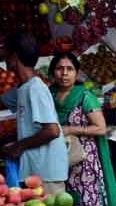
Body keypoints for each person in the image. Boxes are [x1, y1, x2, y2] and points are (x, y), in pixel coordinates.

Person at [49, 53, 116, 206]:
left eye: (70, 69)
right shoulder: (48, 95)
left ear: (77, 73)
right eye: (60, 69)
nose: (64, 73)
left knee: (87, 204)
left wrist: (70, 129)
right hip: (58, 159)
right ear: (53, 72)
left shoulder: (84, 96)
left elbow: (101, 128)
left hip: (83, 161)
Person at [1, 33, 67, 193]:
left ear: (14, 57)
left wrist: (19, 146)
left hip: (47, 174)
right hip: (36, 172)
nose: (2, 56)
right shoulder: (23, 88)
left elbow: (52, 130)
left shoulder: (36, 89)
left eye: (4, 51)